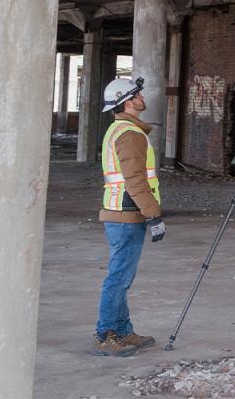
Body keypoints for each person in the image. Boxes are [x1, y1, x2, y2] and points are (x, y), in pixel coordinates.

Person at [93, 76, 166, 357]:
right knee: (119, 278)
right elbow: (135, 180)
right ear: (127, 102)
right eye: (137, 94)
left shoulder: (120, 129)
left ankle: (123, 331)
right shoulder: (130, 134)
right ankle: (105, 335)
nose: (142, 97)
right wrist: (153, 215)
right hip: (126, 214)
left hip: (121, 212)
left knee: (122, 277)